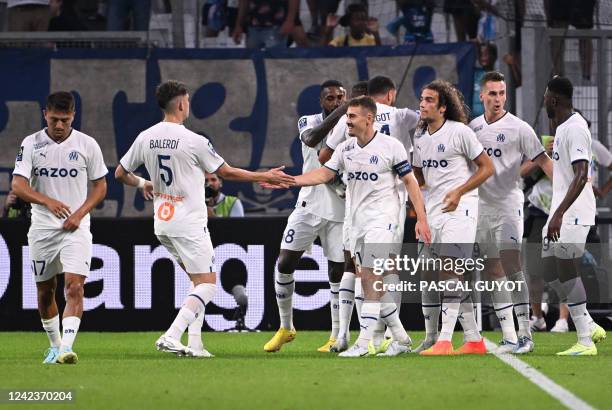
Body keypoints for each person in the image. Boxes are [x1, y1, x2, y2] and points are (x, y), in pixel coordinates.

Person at [115, 80, 293, 358]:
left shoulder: (145, 137)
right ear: (182, 104)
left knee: (197, 282)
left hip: (162, 222)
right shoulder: (194, 141)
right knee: (208, 285)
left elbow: (120, 173)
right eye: (188, 101)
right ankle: (172, 335)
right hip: (188, 222)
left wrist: (143, 184)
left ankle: (196, 344)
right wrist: (265, 175)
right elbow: (227, 173)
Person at [265, 96, 431, 357]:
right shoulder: (346, 149)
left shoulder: (392, 146)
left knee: (369, 278)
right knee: (369, 280)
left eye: (352, 116)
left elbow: (410, 181)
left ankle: (363, 343)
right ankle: (401, 337)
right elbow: (323, 174)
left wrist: (421, 218)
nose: (347, 120)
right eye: (347, 116)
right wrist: (291, 181)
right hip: (356, 222)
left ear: (369, 118)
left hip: (383, 220)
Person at [321, 77, 420, 353]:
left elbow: (321, 154)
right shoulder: (402, 114)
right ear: (391, 94)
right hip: (374, 206)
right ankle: (395, 334)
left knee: (365, 271)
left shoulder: (351, 122)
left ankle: (362, 338)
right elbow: (425, 122)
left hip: (379, 209)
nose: (349, 117)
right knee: (380, 270)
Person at [12, 91, 108, 364]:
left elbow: (101, 186)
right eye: (54, 119)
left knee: (75, 287)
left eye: (64, 120)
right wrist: (47, 201)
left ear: (73, 116)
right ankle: (55, 346)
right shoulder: (31, 144)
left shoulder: (87, 145)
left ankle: (66, 347)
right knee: (45, 291)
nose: (58, 126)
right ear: (45, 114)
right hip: (42, 228)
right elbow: (18, 185)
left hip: (75, 227)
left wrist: (79, 214)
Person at [469, 71, 552, 354]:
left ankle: (526, 333)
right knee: (492, 270)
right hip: (481, 207)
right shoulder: (473, 128)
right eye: (492, 93)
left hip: (508, 205)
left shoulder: (519, 127)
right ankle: (507, 335)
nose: (498, 99)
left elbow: (543, 160)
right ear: (482, 96)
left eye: (502, 93)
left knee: (512, 265)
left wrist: (563, 194)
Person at [263, 80, 348, 353]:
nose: (336, 101)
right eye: (331, 98)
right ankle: (286, 326)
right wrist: (342, 111)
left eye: (341, 97)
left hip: (339, 207)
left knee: (337, 270)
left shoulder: (353, 126)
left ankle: (336, 335)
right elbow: (311, 140)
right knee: (285, 260)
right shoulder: (308, 121)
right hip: (309, 203)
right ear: (322, 102)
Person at [412, 80, 495, 356]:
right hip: (435, 211)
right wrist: (419, 213)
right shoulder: (420, 136)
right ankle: (473, 340)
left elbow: (487, 168)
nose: (422, 104)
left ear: (444, 107)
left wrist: (460, 191)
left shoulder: (460, 132)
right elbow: (419, 176)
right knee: (441, 276)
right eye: (422, 99)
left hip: (462, 209)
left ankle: (445, 341)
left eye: (429, 100)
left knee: (450, 271)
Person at [541, 75, 606, 355]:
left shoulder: (576, 128)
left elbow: (582, 175)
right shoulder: (563, 128)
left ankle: (584, 340)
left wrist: (560, 213)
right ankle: (588, 323)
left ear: (554, 100)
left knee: (566, 267)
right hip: (559, 210)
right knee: (545, 268)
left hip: (574, 211)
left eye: (545, 97)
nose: (544, 101)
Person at [232, 0, 298, 48]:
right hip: (253, 28)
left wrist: (290, 20)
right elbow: (244, 2)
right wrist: (238, 25)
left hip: (277, 27)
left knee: (276, 64)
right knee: (252, 63)